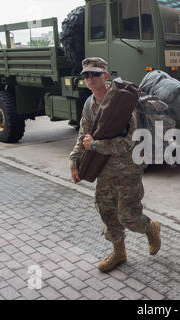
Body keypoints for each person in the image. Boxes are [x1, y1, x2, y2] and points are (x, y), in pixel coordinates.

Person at [69, 57, 161, 273]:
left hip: (128, 169)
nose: (90, 79)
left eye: (94, 74)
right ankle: (119, 253)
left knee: (128, 217)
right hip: (104, 170)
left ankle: (150, 228)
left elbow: (127, 143)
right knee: (107, 213)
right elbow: (83, 135)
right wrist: (74, 159)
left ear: (106, 76)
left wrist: (95, 147)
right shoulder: (89, 104)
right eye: (86, 75)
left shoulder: (122, 102)